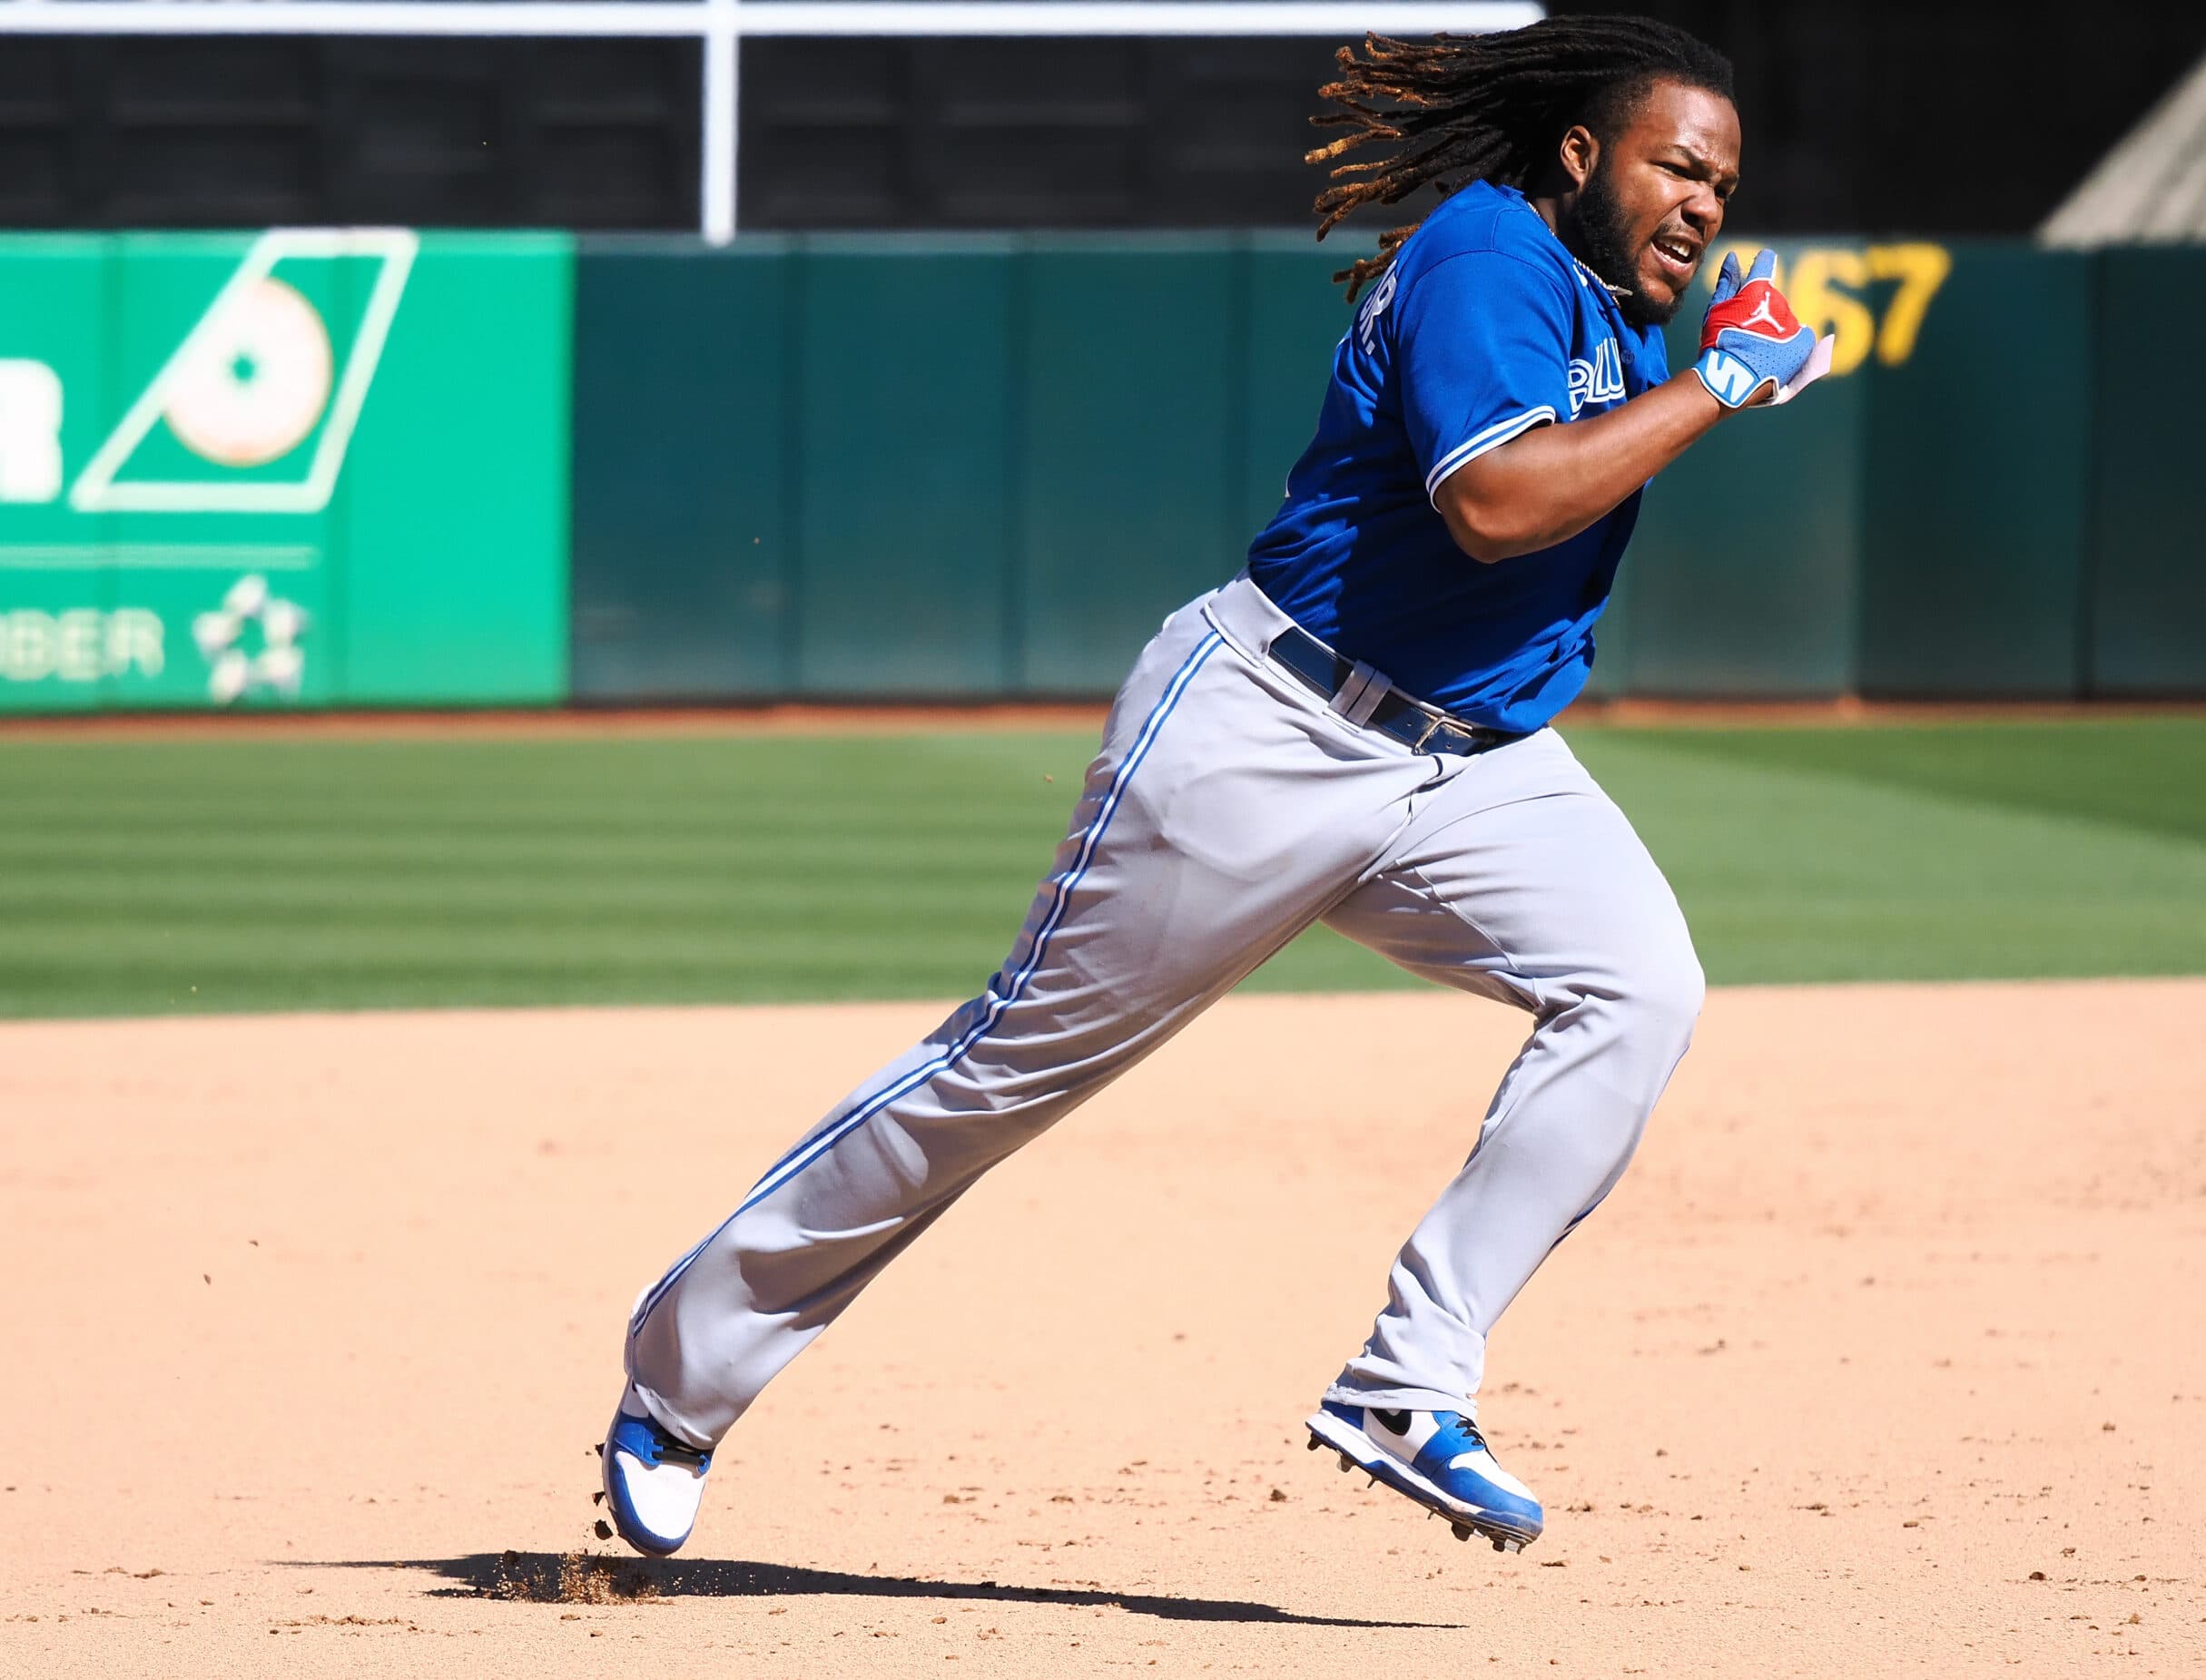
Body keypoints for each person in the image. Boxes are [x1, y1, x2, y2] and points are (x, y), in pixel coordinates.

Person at [598, 13, 1827, 1559]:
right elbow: (1498, 508)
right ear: (1580, 155)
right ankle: (678, 1384)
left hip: (1473, 768)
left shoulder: (1624, 312)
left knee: (1641, 986)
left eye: (1725, 178)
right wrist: (1723, 379)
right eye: (1677, 166)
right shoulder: (1488, 259)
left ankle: (1409, 1383)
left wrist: (1700, 365)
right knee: (1005, 1076)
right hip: (1271, 732)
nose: (1708, 202)